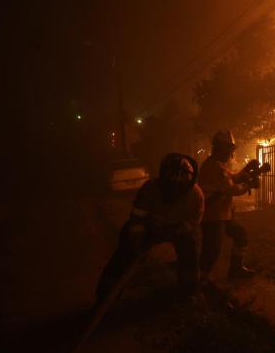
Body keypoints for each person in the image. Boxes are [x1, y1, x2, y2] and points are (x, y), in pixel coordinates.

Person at [95, 153, 203, 303]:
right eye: (170, 185)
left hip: (177, 229)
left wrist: (176, 231)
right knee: (125, 251)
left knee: (191, 251)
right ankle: (107, 293)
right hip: (148, 226)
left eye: (179, 186)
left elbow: (193, 222)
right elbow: (136, 220)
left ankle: (188, 291)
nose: (174, 190)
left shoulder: (196, 195)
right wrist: (138, 243)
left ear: (188, 184)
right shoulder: (150, 189)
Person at [198, 130, 258, 282]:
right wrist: (248, 184)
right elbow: (230, 188)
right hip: (213, 216)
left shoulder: (217, 164)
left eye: (230, 149)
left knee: (241, 235)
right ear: (219, 148)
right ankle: (199, 281)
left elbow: (231, 179)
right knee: (212, 250)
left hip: (223, 215)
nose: (229, 153)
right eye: (228, 149)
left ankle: (235, 270)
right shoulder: (213, 167)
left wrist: (246, 170)